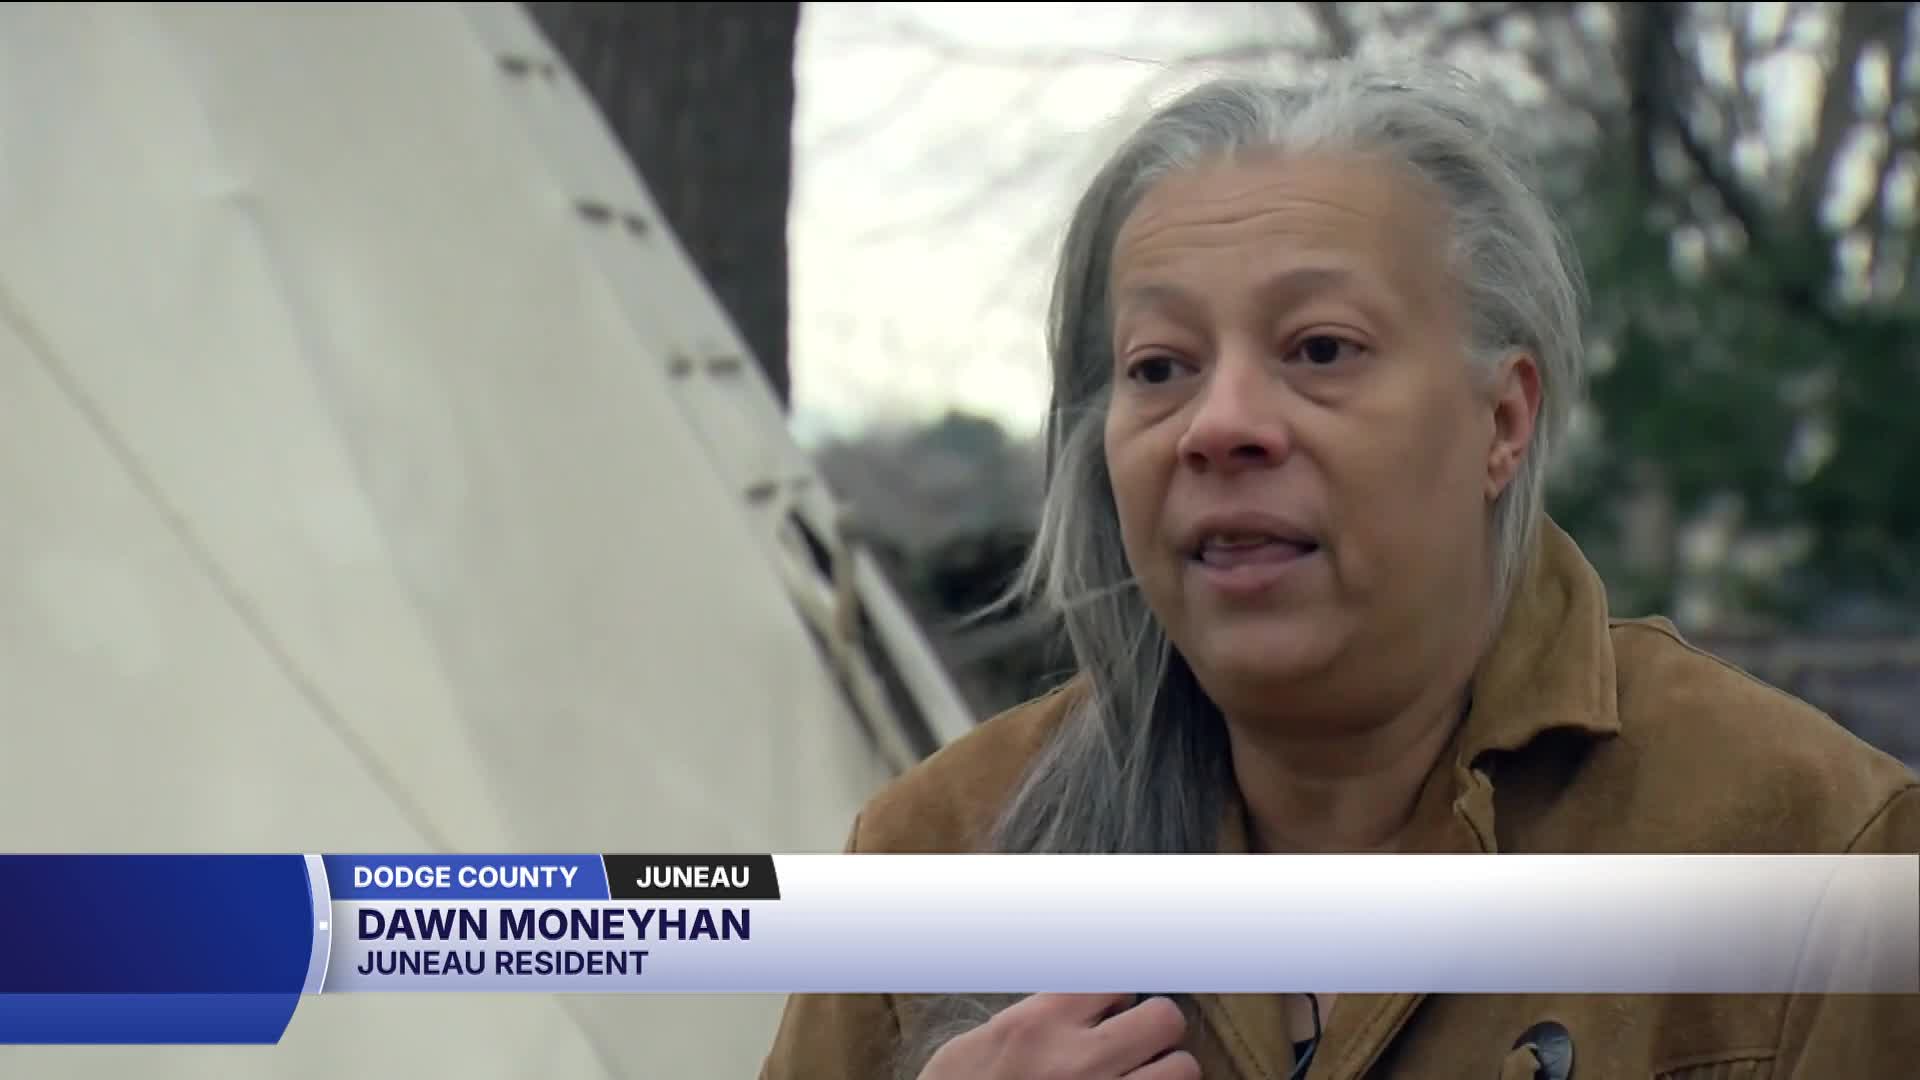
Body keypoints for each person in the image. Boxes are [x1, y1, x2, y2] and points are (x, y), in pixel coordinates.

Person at [759, 59, 1920, 1079]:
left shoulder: (1814, 853)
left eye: (1320, 349)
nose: (1221, 425)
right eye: (1159, 367)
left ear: (1503, 420)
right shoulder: (932, 855)